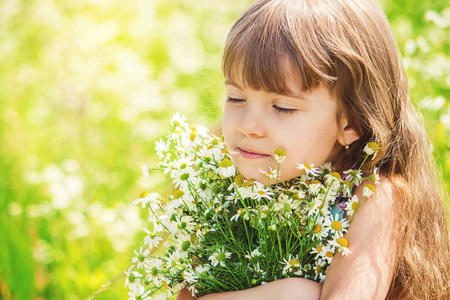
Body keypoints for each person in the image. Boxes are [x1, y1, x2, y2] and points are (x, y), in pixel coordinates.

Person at [177, 0, 450, 299]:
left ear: (350, 123)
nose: (248, 126)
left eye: (282, 107)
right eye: (236, 99)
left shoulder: (371, 198)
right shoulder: (226, 186)